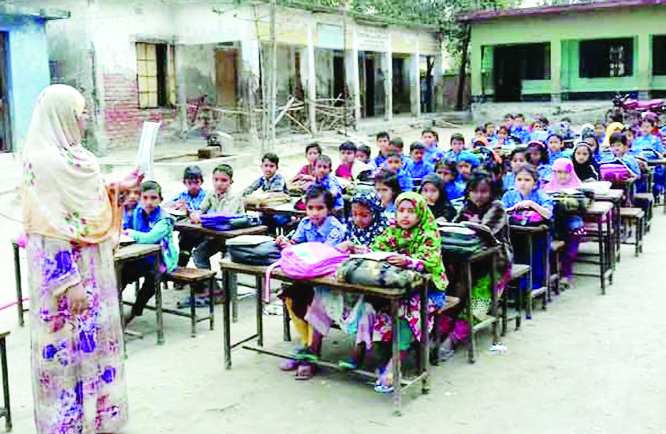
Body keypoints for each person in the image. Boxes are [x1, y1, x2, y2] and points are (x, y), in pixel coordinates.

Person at [22, 84, 139, 434]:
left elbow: (89, 202)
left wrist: (119, 185)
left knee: (95, 351)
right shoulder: (43, 163)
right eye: (80, 112)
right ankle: (68, 427)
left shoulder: (79, 158)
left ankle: (97, 422)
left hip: (95, 273)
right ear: (61, 116)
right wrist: (69, 284)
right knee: (65, 358)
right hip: (65, 285)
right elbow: (46, 228)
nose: (85, 118)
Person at [369, 193, 448, 392]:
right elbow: (377, 247)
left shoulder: (428, 233)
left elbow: (429, 263)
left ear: (420, 213)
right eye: (401, 211)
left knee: (405, 313)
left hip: (430, 291)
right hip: (401, 289)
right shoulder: (393, 229)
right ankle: (382, 361)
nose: (405, 216)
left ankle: (395, 366)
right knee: (380, 311)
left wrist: (408, 261)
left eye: (411, 211)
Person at [275, 186, 347, 380]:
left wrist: (300, 250)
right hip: (306, 277)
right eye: (310, 208)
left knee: (312, 305)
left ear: (329, 209)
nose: (314, 213)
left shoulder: (335, 228)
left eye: (320, 208)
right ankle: (303, 345)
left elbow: (324, 255)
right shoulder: (304, 223)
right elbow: (297, 243)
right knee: (289, 298)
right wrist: (286, 243)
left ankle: (311, 354)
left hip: (327, 282)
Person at [442, 172, 513, 358]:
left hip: (496, 263)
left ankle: (456, 335)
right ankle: (442, 328)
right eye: (474, 191)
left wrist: (473, 225)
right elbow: (456, 228)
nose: (478, 196)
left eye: (483, 191)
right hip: (469, 261)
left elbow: (485, 232)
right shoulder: (466, 207)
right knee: (456, 288)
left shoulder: (498, 208)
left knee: (480, 297)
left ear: (491, 192)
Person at [124, 181, 178, 324]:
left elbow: (150, 238)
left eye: (153, 198)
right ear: (140, 198)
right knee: (121, 274)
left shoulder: (164, 219)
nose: (149, 202)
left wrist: (130, 233)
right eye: (145, 198)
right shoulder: (136, 212)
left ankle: (136, 310)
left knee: (153, 278)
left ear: (160, 199)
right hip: (141, 258)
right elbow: (125, 225)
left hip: (162, 260)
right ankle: (113, 307)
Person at [501, 164, 553, 290]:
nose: (523, 183)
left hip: (537, 238)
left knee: (535, 256)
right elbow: (501, 212)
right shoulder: (509, 195)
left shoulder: (541, 196)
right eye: (519, 180)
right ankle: (515, 284)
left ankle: (534, 285)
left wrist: (531, 204)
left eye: (527, 180)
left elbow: (548, 214)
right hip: (514, 235)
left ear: (535, 183)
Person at [189, 164, 244, 269]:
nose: (219, 184)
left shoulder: (234, 197)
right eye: (216, 180)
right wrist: (195, 214)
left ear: (231, 182)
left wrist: (202, 218)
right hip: (218, 235)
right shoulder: (211, 193)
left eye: (224, 180)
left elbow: (223, 218)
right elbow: (201, 209)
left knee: (228, 263)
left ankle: (227, 284)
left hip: (234, 237)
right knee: (198, 253)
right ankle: (209, 282)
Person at [544, 158, 585, 289]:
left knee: (570, 249)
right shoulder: (548, 188)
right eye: (558, 172)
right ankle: (552, 273)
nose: (562, 176)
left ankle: (566, 275)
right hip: (554, 225)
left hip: (572, 223)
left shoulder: (578, 187)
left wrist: (573, 203)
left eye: (565, 173)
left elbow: (583, 207)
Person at [165, 166, 207, 267]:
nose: (193, 186)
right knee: (184, 242)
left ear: (201, 182)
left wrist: (189, 210)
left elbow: (203, 211)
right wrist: (175, 205)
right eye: (190, 183)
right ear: (185, 182)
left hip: (203, 232)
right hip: (187, 232)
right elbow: (166, 206)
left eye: (196, 182)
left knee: (196, 250)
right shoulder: (182, 195)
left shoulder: (206, 196)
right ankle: (181, 268)